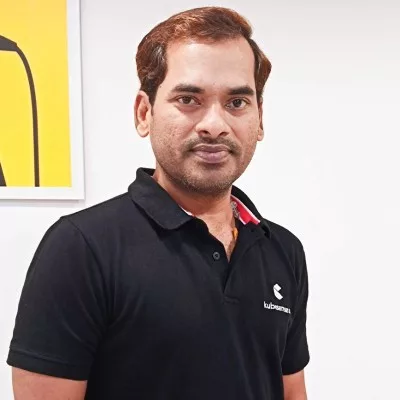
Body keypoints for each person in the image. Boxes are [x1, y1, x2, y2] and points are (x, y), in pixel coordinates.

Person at [7, 6, 310, 400]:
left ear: (260, 119)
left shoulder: (282, 249)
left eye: (237, 102)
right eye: (188, 99)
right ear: (144, 113)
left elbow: (291, 391)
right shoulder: (81, 247)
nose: (214, 125)